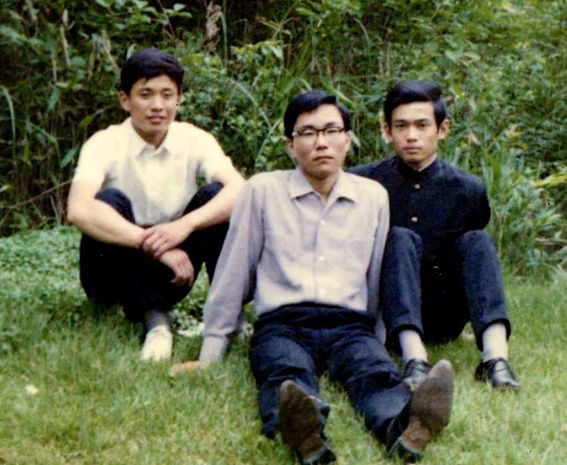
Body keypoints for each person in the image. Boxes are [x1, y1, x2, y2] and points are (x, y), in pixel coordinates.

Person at [172, 90, 454, 464]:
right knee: (284, 373)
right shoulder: (262, 191)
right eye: (308, 132)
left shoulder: (372, 196)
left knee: (374, 372)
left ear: (347, 140)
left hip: (349, 324)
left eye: (332, 130)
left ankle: (406, 428)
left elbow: (374, 277)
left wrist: (375, 339)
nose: (321, 142)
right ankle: (306, 435)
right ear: (290, 145)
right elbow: (233, 271)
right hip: (283, 323)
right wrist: (211, 350)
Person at [67, 47, 244, 362]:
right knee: (108, 200)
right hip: (114, 270)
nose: (157, 105)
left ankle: (230, 314)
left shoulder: (195, 139)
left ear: (180, 99)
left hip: (176, 268)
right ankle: (155, 322)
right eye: (145, 94)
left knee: (215, 195)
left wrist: (184, 226)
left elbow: (240, 191)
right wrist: (153, 245)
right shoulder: (104, 143)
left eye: (167, 95)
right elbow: (78, 209)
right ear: (125, 100)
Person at [351, 80, 520, 390]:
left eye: (422, 125)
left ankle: (495, 358)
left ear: (442, 129)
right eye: (401, 126)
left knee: (478, 240)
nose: (411, 136)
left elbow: (472, 258)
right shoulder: (363, 183)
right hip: (387, 314)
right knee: (400, 237)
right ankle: (414, 359)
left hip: (444, 313)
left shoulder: (468, 188)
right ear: (387, 131)